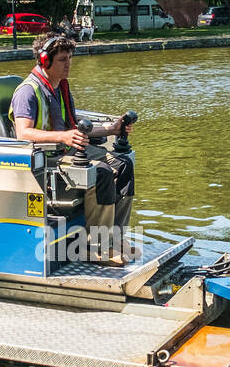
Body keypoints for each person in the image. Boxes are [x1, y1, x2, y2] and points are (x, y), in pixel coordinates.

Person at [9, 31, 136, 265]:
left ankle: (115, 238)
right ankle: (94, 247)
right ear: (44, 60)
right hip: (45, 160)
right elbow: (23, 133)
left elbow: (76, 128)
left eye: (70, 58)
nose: (68, 64)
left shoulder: (61, 88)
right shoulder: (28, 92)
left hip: (65, 152)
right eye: (62, 60)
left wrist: (112, 129)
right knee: (102, 173)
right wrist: (64, 137)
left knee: (123, 164)